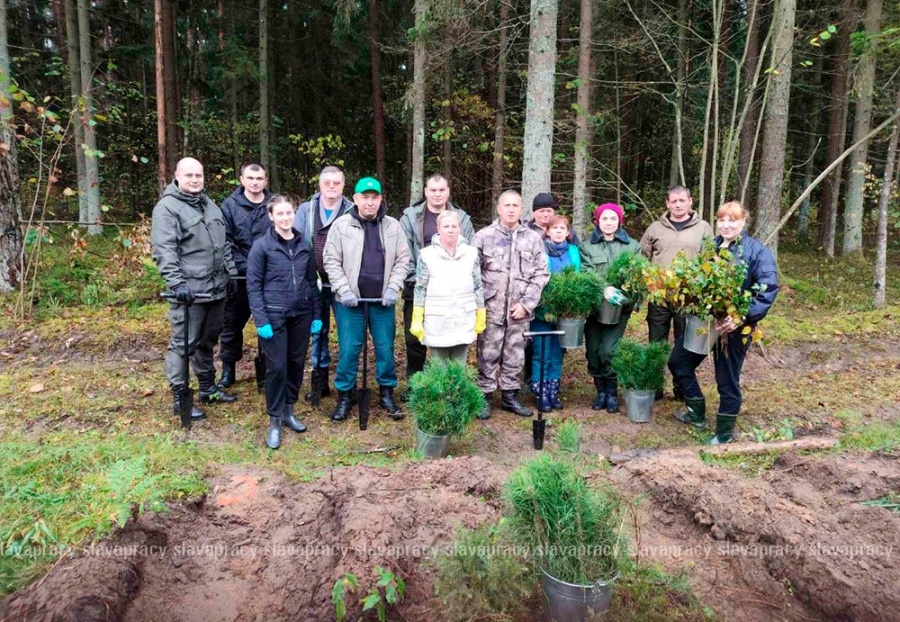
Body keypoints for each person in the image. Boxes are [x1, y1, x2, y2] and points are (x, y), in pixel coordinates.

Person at [668, 201, 779, 444]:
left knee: (726, 378)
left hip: (734, 327)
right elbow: (699, 281)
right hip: (706, 321)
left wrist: (742, 316)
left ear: (743, 222)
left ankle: (724, 434)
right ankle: (696, 413)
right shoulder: (711, 248)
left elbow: (768, 288)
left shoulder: (757, 252)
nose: (726, 225)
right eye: (722, 220)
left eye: (733, 220)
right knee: (678, 362)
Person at [151, 157, 237, 421]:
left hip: (216, 288)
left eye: (198, 175)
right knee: (183, 344)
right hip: (190, 292)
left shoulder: (210, 206)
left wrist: (230, 274)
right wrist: (176, 283)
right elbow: (164, 249)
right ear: (177, 175)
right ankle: (180, 397)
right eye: (189, 175)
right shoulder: (167, 208)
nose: (195, 180)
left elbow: (223, 246)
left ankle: (208, 388)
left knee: (207, 340)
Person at [323, 177, 410, 422]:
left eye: (375, 197)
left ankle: (386, 392)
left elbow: (404, 259)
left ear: (381, 199)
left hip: (382, 301)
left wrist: (393, 287)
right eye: (365, 197)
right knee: (350, 348)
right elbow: (331, 260)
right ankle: (345, 394)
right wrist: (343, 289)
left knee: (385, 347)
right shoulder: (341, 226)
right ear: (356, 199)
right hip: (350, 302)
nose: (370, 202)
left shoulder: (393, 226)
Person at [247, 196, 322, 449]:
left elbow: (313, 282)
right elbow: (253, 286)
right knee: (277, 368)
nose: (285, 218)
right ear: (271, 216)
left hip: (300, 315)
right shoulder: (262, 246)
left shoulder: (304, 244)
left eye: (288, 213)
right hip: (273, 316)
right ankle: (275, 419)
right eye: (279, 214)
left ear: (294, 214)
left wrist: (317, 315)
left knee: (295, 364)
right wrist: (261, 320)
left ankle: (290, 410)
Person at [473, 189, 550, 418]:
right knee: (487, 354)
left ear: (521, 209)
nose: (511, 209)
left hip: (520, 311)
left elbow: (541, 274)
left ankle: (510, 397)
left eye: (515, 205)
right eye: (506, 205)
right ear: (498, 209)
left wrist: (526, 304)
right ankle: (485, 396)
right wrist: (480, 305)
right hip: (491, 309)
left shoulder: (533, 238)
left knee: (516, 355)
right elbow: (473, 274)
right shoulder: (483, 237)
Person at [400, 174, 475, 396]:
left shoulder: (461, 218)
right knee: (414, 338)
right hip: (417, 288)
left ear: (448, 191)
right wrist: (419, 280)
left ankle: (451, 387)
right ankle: (416, 384)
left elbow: (468, 252)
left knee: (451, 338)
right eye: (433, 190)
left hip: (452, 292)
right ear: (425, 191)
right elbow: (405, 252)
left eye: (441, 190)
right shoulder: (411, 217)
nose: (437, 194)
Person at [640, 185, 713, 399]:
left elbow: (710, 260)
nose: (678, 205)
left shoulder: (703, 228)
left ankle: (682, 388)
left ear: (691, 201)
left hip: (688, 299)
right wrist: (648, 282)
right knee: (656, 343)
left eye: (682, 200)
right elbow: (642, 258)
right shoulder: (655, 228)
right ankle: (655, 386)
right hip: (659, 297)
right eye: (674, 201)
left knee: (685, 344)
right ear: (667, 204)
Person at [294, 166, 355, 399]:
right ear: (319, 184)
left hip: (344, 284)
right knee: (318, 331)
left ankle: (346, 383)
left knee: (347, 333)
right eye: (327, 182)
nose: (331, 187)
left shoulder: (352, 210)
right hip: (314, 283)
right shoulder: (306, 210)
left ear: (343, 186)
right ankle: (319, 380)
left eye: (336, 183)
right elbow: (298, 243)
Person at [578, 203, 641, 413]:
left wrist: (627, 296)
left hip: (620, 308)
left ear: (619, 221)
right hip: (594, 308)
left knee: (609, 351)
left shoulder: (632, 246)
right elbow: (586, 272)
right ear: (597, 221)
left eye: (613, 218)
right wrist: (604, 288)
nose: (608, 222)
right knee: (594, 352)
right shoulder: (587, 246)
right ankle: (601, 392)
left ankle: (612, 392)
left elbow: (639, 274)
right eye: (604, 218)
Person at [217, 163, 271, 387]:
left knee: (269, 324)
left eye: (259, 178)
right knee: (231, 324)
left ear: (265, 180)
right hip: (239, 278)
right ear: (242, 179)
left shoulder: (274, 205)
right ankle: (228, 369)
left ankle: (267, 369)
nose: (255, 182)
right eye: (250, 178)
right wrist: (246, 268)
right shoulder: (229, 206)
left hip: (269, 277)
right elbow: (225, 241)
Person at [408, 210, 485, 362]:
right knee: (440, 367)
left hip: (464, 316)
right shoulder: (426, 254)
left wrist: (481, 313)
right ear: (438, 229)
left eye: (454, 226)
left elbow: (477, 285)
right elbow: (420, 288)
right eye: (446, 226)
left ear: (460, 228)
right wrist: (417, 316)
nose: (450, 230)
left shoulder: (471, 254)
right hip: (437, 319)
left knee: (459, 367)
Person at [530, 215, 582, 412]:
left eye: (562, 228)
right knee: (541, 352)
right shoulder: (540, 251)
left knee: (558, 352)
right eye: (555, 228)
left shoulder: (574, 252)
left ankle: (553, 390)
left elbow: (580, 277)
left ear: (568, 233)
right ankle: (540, 391)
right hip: (542, 311)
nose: (559, 231)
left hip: (565, 313)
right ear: (548, 231)